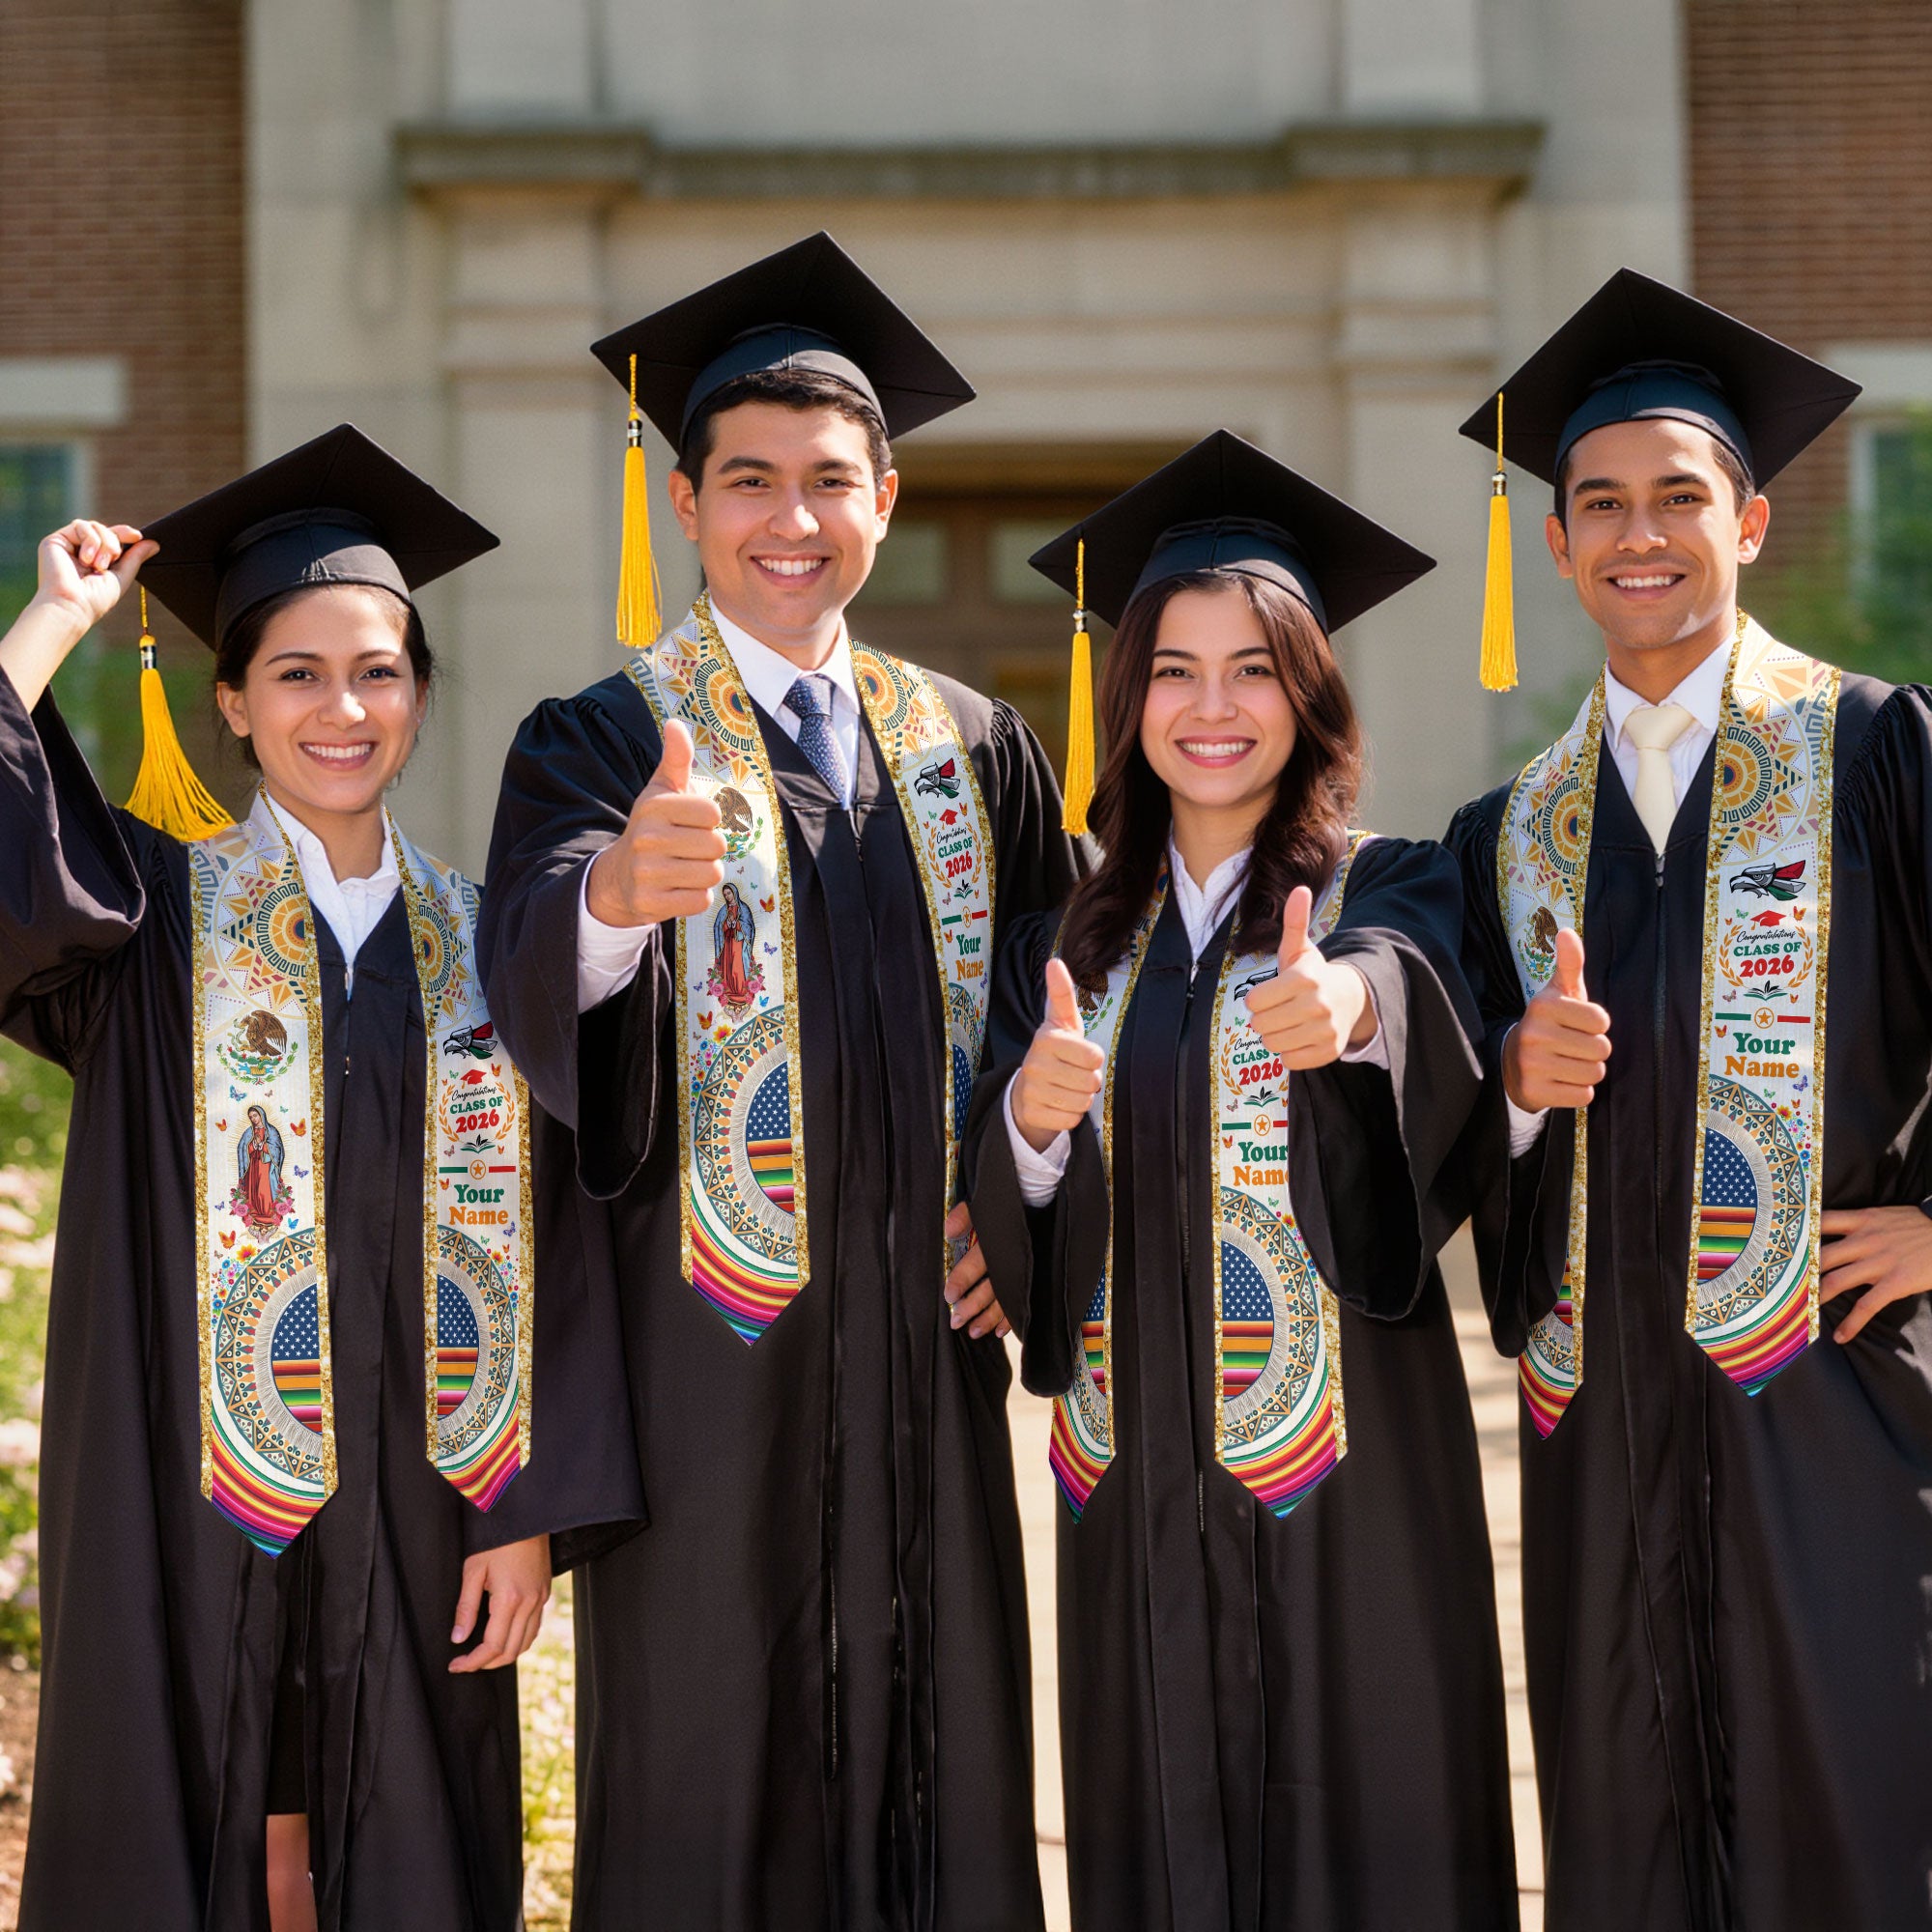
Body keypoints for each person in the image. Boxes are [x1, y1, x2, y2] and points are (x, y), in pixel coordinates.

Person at [479, 233, 1082, 1930]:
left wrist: (1020, 1196)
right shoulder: (598, 738)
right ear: (686, 503)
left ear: (886, 497)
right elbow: (527, 967)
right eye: (749, 481)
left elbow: (1073, 1008)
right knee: (709, 1775)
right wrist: (611, 900)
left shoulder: (974, 745)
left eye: (831, 481)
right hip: (707, 1375)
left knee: (942, 1758)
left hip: (923, 1361)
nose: (790, 519)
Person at [0, 426, 642, 1932]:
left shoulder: (494, 948)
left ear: (420, 694)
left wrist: (525, 1507)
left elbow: (567, 1242)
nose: (340, 708)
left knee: (409, 1832)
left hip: (429, 1497)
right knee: (191, 1806)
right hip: (185, 1482)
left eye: (377, 670)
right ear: (230, 702)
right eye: (295, 673)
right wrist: (50, 625)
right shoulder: (147, 921)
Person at [965, 432, 1518, 1931]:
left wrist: (1349, 1014)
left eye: (1256, 668)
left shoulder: (1390, 884)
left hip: (1354, 1486)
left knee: (1375, 1834)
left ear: (1311, 693)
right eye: (1175, 670)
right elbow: (1010, 1201)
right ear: (1127, 696)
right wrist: (1025, 1119)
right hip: (1133, 1482)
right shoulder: (1063, 945)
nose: (1214, 709)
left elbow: (1413, 993)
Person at [1446, 270, 1932, 1931]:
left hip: (1838, 1407)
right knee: (1625, 1827)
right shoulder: (1508, 832)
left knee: (1856, 1811)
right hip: (1603, 1435)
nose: (1637, 534)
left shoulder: (1876, 753)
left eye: (1678, 497)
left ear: (1753, 519)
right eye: (1599, 504)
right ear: (1561, 542)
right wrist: (1513, 1088)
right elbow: (1448, 1135)